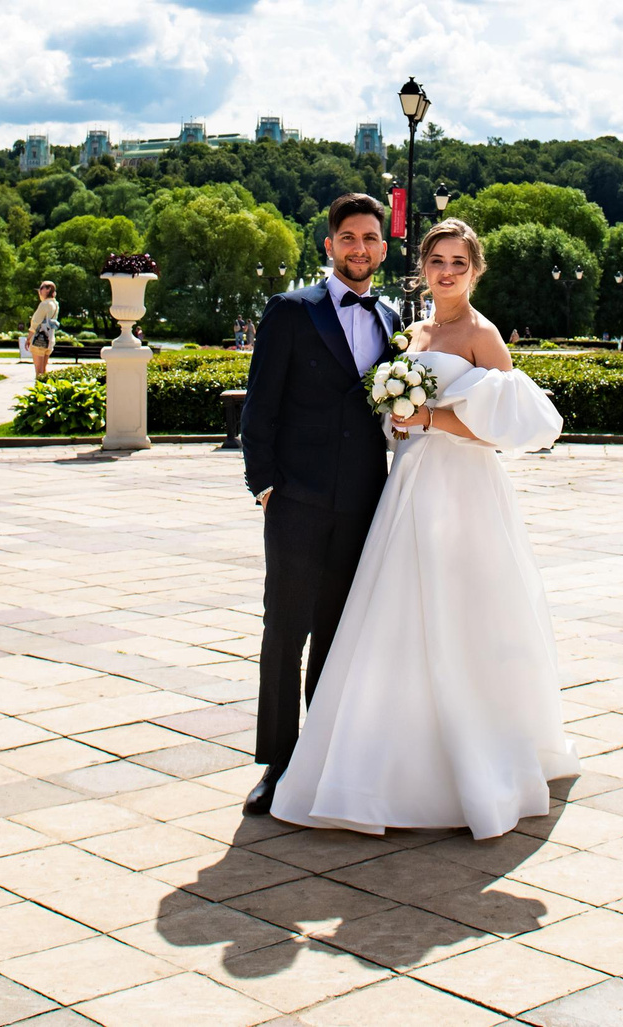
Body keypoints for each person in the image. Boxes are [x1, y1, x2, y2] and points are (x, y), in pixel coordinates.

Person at [265, 216, 574, 840]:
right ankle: (380, 751)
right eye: (438, 261)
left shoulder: (483, 335)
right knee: (393, 613)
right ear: (422, 269)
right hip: (406, 484)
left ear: (475, 270)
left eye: (459, 262)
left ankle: (470, 755)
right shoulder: (407, 332)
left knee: (460, 615)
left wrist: (428, 419)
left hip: (462, 490)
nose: (448, 272)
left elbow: (502, 428)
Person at [239, 195, 399, 817]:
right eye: (348, 238)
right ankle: (277, 762)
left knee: (337, 630)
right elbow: (260, 405)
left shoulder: (391, 319)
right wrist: (265, 485)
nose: (360, 248)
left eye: (370, 238)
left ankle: (322, 756)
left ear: (383, 248)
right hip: (297, 499)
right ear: (329, 245)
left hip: (363, 501)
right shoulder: (290, 310)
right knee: (285, 629)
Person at [27, 282, 61, 379]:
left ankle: (38, 387)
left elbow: (35, 322)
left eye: (41, 288)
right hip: (49, 339)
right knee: (43, 371)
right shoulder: (55, 304)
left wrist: (28, 338)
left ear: (48, 289)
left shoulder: (44, 304)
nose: (40, 291)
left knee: (39, 372)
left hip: (39, 340)